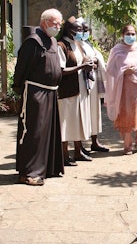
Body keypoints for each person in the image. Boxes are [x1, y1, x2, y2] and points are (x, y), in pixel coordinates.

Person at [13, 9, 64, 186]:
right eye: (54, 23)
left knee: (47, 133)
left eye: (59, 24)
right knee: (33, 133)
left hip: (51, 92)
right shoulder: (33, 42)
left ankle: (46, 168)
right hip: (36, 92)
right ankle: (28, 173)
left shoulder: (52, 41)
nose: (57, 27)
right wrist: (19, 89)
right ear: (44, 22)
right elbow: (21, 68)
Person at [105, 25, 137, 154]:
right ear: (122, 35)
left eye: (133, 34)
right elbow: (110, 70)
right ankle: (127, 145)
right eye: (128, 34)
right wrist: (123, 72)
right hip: (125, 88)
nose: (131, 36)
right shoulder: (116, 50)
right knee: (127, 115)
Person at [56, 18, 93, 166]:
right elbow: (60, 70)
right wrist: (81, 67)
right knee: (65, 124)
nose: (79, 33)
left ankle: (78, 151)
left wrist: (90, 65)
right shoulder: (61, 46)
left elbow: (82, 61)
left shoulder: (76, 44)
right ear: (68, 30)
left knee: (77, 122)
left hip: (80, 89)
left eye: (80, 30)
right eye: (76, 30)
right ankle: (64, 155)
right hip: (67, 91)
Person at [76, 19, 109, 152]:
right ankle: (79, 146)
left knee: (94, 112)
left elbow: (96, 56)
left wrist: (95, 60)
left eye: (86, 30)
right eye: (82, 30)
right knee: (82, 113)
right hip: (81, 82)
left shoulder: (88, 43)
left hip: (92, 82)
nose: (84, 33)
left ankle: (95, 141)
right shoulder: (73, 44)